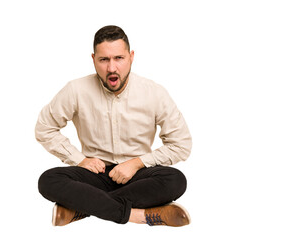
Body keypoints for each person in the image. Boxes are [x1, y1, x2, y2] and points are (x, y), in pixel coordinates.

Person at [35, 25, 192, 227]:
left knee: (175, 180)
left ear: (131, 57)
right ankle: (140, 216)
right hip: (94, 174)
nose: (111, 68)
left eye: (119, 58)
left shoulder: (154, 93)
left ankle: (82, 207)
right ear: (93, 59)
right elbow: (44, 128)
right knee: (49, 180)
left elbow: (182, 144)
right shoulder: (75, 90)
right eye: (104, 60)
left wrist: (137, 163)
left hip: (137, 175)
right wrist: (80, 159)